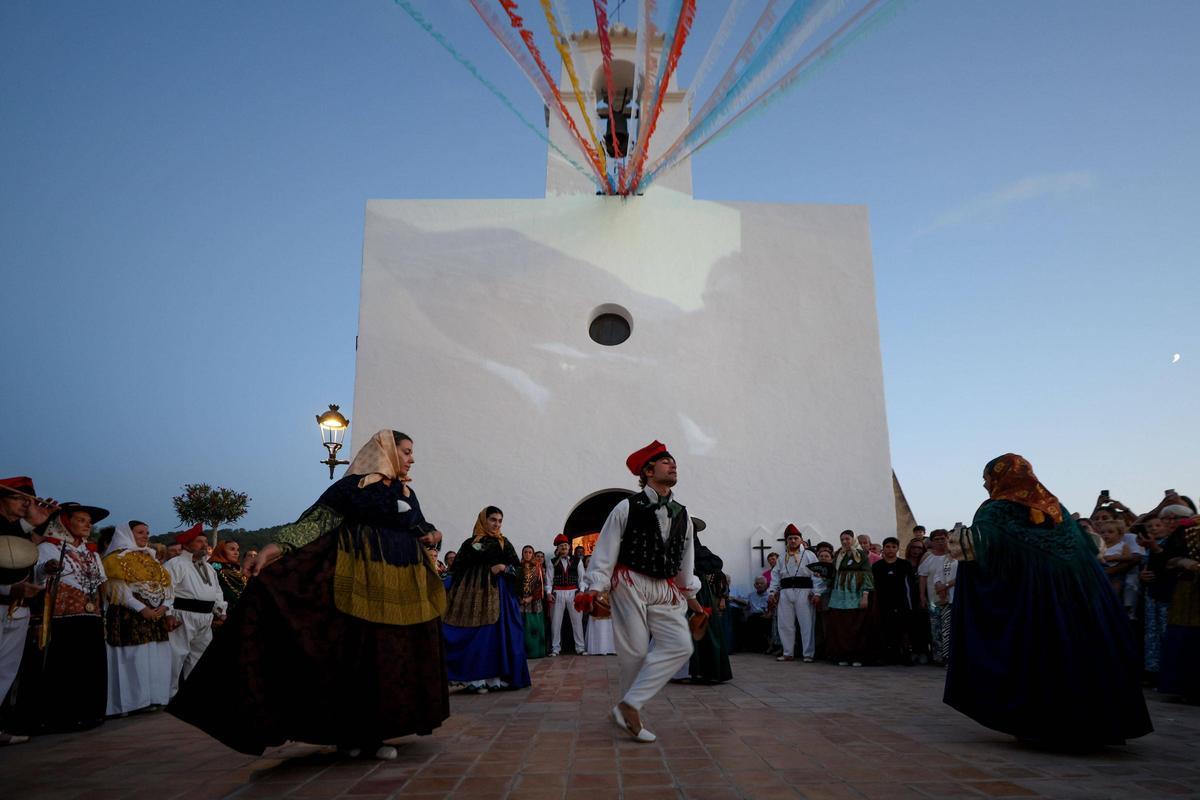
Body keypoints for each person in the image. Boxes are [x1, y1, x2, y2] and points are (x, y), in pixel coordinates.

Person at [168, 430, 448, 759]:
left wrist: (433, 533)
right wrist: (274, 548)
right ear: (385, 452)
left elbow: (419, 527)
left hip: (400, 586)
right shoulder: (352, 487)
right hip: (360, 581)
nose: (411, 458)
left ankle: (377, 733)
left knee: (392, 658)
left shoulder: (406, 493)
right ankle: (354, 736)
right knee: (359, 657)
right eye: (406, 451)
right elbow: (315, 522)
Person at [945, 454, 1152, 746]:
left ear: (999, 478)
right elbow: (1087, 549)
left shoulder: (996, 510)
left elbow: (980, 547)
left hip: (1036, 603)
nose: (985, 486)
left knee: (1041, 653)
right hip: (1084, 600)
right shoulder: (1059, 510)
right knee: (1083, 651)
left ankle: (1047, 726)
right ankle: (1098, 725)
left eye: (987, 479)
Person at [580, 441, 698, 743]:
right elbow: (606, 549)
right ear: (648, 471)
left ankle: (627, 705)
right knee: (635, 652)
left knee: (681, 645)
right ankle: (631, 712)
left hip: (665, 587)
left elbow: (685, 558)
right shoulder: (626, 507)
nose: (673, 466)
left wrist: (691, 596)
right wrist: (597, 588)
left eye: (674, 462)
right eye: (666, 462)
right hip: (630, 581)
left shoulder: (683, 514)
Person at [15, 502, 109, 734]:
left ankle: (88, 713)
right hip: (62, 617)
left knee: (89, 665)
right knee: (66, 666)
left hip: (90, 614)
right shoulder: (50, 548)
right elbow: (37, 574)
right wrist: (48, 568)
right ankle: (60, 716)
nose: (87, 525)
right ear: (65, 522)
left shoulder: (90, 552)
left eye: (89, 522)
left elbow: (101, 581)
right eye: (81, 520)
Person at [443, 506, 530, 693]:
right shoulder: (470, 544)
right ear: (483, 520)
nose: (496, 524)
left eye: (499, 521)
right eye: (493, 520)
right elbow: (457, 570)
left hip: (502, 597)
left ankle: (496, 678)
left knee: (500, 636)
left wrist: (503, 568)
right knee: (479, 636)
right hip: (473, 597)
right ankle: (475, 678)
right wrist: (488, 570)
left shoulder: (504, 543)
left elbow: (519, 569)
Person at [0, 477, 55, 746]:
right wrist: (9, 590)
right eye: (20, 499)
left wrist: (41, 519)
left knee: (6, 671)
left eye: (29, 500)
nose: (26, 505)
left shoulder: (18, 528)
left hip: (17, 608)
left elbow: (28, 542)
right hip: (4, 601)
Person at [101, 521, 173, 715]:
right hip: (129, 615)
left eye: (147, 533)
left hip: (156, 613)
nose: (145, 536)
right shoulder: (115, 559)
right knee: (132, 658)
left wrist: (165, 606)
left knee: (154, 657)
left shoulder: (152, 559)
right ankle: (130, 703)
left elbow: (167, 587)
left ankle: (153, 697)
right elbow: (117, 590)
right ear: (127, 534)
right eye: (140, 532)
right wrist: (141, 608)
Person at [165, 525, 226, 695]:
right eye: (199, 541)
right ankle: (170, 694)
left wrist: (220, 610)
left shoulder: (208, 568)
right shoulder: (175, 564)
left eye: (206, 542)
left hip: (205, 617)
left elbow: (216, 591)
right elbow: (166, 589)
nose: (204, 545)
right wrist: (168, 613)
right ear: (186, 545)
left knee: (201, 656)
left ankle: (195, 695)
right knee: (177, 656)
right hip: (183, 615)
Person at [1154, 503, 1200, 702]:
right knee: (1183, 635)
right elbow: (1166, 559)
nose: (1169, 522)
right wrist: (1180, 562)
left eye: (1173, 518)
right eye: (1167, 518)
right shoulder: (1186, 531)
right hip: (1186, 589)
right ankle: (1183, 687)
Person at [685, 519, 731, 682]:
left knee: (703, 627)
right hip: (679, 591)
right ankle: (686, 671)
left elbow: (716, 564)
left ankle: (707, 671)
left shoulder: (700, 550)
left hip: (699, 591)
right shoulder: (674, 548)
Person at [768, 524, 819, 663]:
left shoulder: (809, 555)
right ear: (786, 541)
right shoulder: (782, 557)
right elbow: (776, 576)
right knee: (785, 624)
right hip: (785, 592)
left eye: (795, 538)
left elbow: (816, 575)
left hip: (804, 591)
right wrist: (772, 592)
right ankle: (787, 652)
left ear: (801, 540)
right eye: (790, 538)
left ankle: (808, 654)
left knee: (806, 623)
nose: (793, 541)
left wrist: (816, 593)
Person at [824, 530, 874, 667]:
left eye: (847, 539)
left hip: (855, 593)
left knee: (856, 626)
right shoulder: (839, 555)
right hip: (840, 594)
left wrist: (865, 595)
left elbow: (867, 575)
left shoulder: (861, 555)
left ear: (853, 539)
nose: (845, 542)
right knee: (840, 626)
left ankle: (856, 656)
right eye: (842, 540)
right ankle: (842, 655)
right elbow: (833, 574)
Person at [1137, 516, 1173, 683]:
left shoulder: (1170, 544)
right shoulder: (1147, 548)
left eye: (1158, 525)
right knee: (1153, 633)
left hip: (1167, 596)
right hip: (1151, 595)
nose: (1153, 529)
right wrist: (1142, 575)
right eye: (1149, 526)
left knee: (1166, 632)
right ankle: (1153, 671)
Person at [871, 536, 914, 665]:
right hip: (883, 603)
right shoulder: (877, 566)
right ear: (883, 549)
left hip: (902, 602)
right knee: (884, 630)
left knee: (903, 630)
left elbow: (910, 585)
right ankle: (885, 656)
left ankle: (905, 656)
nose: (890, 549)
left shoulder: (905, 565)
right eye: (888, 547)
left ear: (897, 549)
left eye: (893, 547)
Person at [917, 529, 956, 665]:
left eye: (942, 538)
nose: (940, 542)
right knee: (935, 629)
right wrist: (922, 595)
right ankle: (938, 656)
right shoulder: (928, 557)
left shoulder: (954, 556)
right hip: (934, 599)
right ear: (931, 542)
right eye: (937, 539)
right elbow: (922, 577)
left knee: (949, 628)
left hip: (951, 598)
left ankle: (950, 657)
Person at [547, 534, 586, 656]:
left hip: (573, 592)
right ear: (557, 548)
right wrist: (548, 593)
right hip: (557, 593)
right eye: (561, 546)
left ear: (569, 547)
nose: (563, 547)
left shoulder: (577, 561)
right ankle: (555, 648)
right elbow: (549, 579)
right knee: (556, 622)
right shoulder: (551, 562)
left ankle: (580, 648)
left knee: (577, 621)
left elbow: (582, 578)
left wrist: (581, 591)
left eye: (565, 545)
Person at [903, 538, 931, 664]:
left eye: (919, 548)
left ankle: (924, 651)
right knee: (911, 625)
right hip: (909, 598)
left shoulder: (926, 563)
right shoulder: (904, 564)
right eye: (914, 547)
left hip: (924, 597)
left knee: (924, 625)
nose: (916, 550)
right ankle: (914, 651)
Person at [518, 545, 548, 659]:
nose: (527, 554)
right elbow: (514, 584)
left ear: (533, 554)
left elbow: (540, 586)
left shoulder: (538, 568)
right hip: (521, 601)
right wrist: (519, 597)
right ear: (522, 554)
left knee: (534, 627)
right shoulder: (518, 568)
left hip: (534, 601)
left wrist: (531, 598)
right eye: (525, 552)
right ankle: (523, 653)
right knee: (522, 627)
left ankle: (536, 652)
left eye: (530, 552)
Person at [209, 539, 247, 610]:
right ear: (221, 551)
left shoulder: (238, 569)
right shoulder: (213, 568)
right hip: (221, 612)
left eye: (237, 550)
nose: (236, 553)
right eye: (232, 549)